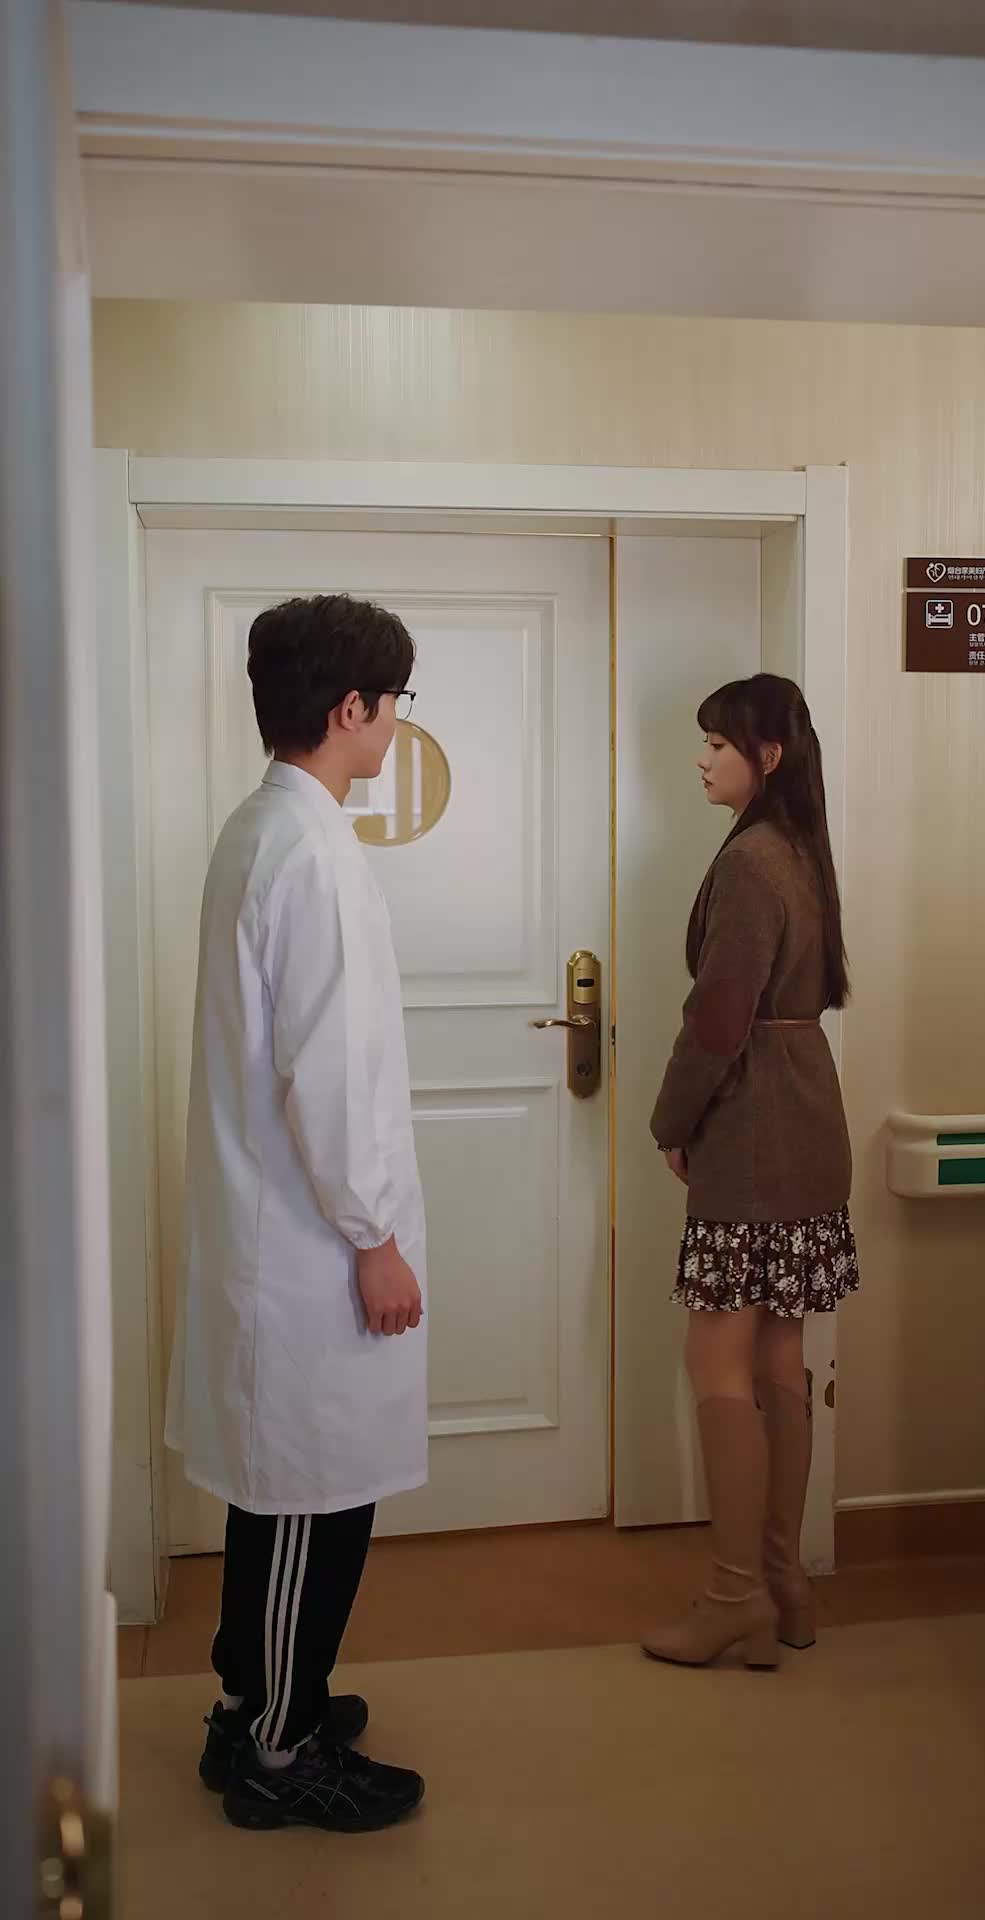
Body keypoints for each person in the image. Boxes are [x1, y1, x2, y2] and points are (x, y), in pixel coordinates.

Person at [165, 594, 429, 1831]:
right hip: (312, 1240)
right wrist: (373, 1236)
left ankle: (259, 1703)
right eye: (395, 701)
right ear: (352, 707)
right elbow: (326, 1073)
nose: (397, 723)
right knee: (306, 1500)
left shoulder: (262, 827)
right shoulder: (311, 854)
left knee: (288, 1488)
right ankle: (280, 1752)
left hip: (279, 1222)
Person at [642, 673, 859, 1670]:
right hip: (809, 1123)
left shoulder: (749, 862)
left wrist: (672, 1119)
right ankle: (783, 1587)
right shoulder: (801, 851)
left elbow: (719, 1016)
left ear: (767, 756)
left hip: (754, 1128)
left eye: (719, 744)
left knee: (718, 1361)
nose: (702, 759)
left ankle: (734, 1596)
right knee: (778, 1358)